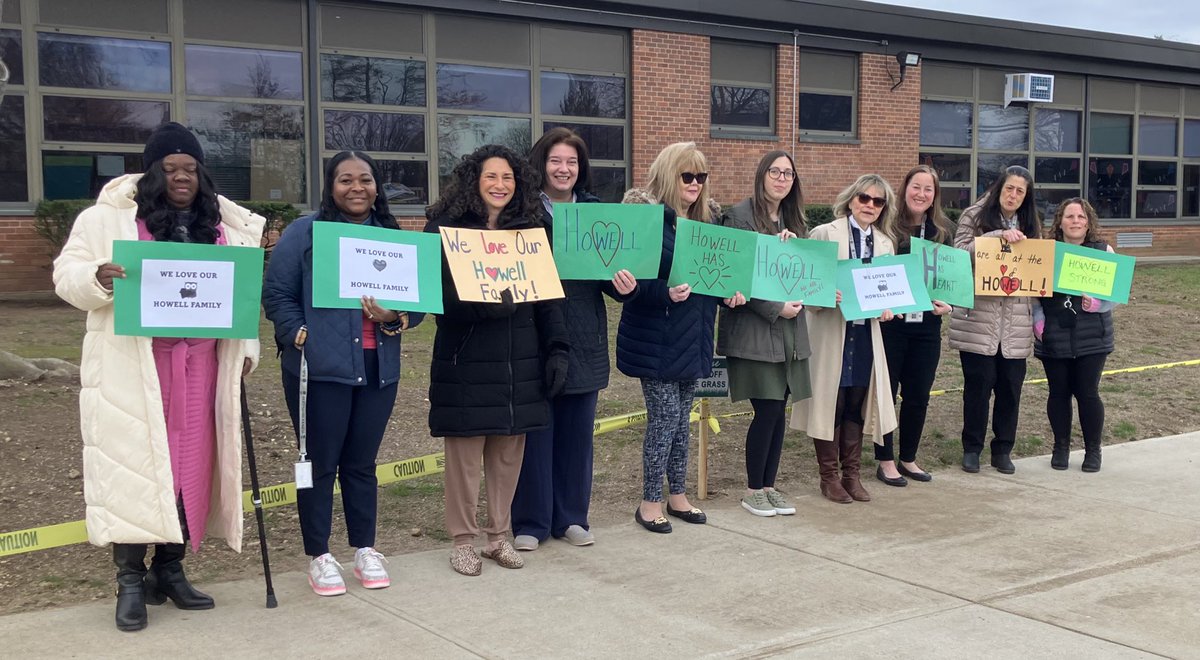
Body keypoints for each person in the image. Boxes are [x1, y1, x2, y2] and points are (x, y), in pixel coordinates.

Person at [52, 122, 264, 631]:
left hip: (202, 369)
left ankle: (169, 570)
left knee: (188, 467)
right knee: (134, 466)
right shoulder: (106, 219)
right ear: (151, 172)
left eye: (190, 168)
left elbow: (239, 299)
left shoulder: (222, 226)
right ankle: (129, 581)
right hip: (135, 364)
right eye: (170, 169)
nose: (181, 177)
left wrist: (245, 351)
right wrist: (97, 277)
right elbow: (66, 273)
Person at [263, 151, 424, 596]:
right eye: (346, 180)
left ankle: (364, 549)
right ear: (330, 186)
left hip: (378, 369)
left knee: (361, 465)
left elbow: (419, 305)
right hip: (321, 370)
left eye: (366, 180)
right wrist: (296, 331)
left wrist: (396, 316)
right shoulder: (306, 233)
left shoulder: (391, 236)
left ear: (378, 186)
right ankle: (319, 555)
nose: (357, 188)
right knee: (319, 465)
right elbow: (277, 292)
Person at [424, 144, 570, 576]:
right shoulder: (445, 230)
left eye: (507, 178)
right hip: (466, 361)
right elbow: (439, 298)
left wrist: (558, 348)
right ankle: (463, 541)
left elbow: (547, 300)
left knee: (508, 458)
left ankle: (497, 537)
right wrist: (482, 307)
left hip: (520, 363)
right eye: (491, 177)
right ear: (474, 180)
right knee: (465, 460)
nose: (500, 185)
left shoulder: (529, 233)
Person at [510, 128, 636, 551]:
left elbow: (612, 279)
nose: (563, 169)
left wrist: (624, 283)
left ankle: (571, 517)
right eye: (555, 161)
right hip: (534, 334)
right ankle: (531, 522)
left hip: (584, 334)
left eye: (572, 162)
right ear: (541, 165)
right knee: (536, 431)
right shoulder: (522, 211)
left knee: (577, 434)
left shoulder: (598, 214)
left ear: (580, 169)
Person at [619, 141, 745, 533]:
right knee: (665, 418)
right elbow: (629, 284)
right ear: (669, 175)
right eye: (686, 175)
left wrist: (730, 294)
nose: (695, 183)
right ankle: (649, 501)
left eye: (701, 176)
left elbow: (715, 280)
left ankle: (678, 496)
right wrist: (664, 293)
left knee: (682, 420)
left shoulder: (708, 225)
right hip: (656, 339)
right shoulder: (646, 221)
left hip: (695, 338)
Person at [790, 174, 899, 504]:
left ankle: (852, 474)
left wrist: (888, 308)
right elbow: (805, 286)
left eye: (877, 202)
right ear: (851, 200)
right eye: (864, 198)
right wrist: (824, 294)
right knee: (830, 403)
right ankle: (829, 477)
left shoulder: (884, 244)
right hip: (832, 331)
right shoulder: (825, 234)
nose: (870, 206)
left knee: (856, 402)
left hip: (865, 334)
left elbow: (889, 290)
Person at [716, 150, 812, 517]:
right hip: (756, 331)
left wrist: (793, 247)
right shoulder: (739, 218)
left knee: (779, 411)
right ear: (762, 174)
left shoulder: (792, 221)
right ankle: (754, 488)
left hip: (789, 332)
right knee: (767, 408)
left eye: (789, 173)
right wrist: (775, 308)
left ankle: (769, 486)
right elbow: (735, 276)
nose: (782, 179)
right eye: (775, 171)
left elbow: (801, 272)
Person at [948, 165, 1040, 475]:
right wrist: (997, 236)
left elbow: (1039, 268)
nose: (1013, 195)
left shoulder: (1031, 222)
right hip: (978, 318)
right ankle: (971, 448)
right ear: (999, 188)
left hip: (1015, 322)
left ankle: (1003, 449)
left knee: (1010, 389)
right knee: (978, 387)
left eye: (1020, 191)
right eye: (1009, 188)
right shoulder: (974, 216)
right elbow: (958, 254)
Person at [875, 165, 955, 487]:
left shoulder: (941, 233)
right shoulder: (886, 227)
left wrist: (949, 304)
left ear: (935, 196)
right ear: (904, 188)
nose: (921, 194)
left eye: (928, 189)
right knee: (886, 394)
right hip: (891, 325)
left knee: (918, 395)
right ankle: (885, 459)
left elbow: (950, 280)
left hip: (926, 327)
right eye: (915, 187)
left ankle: (908, 457)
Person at [1035, 198, 1116, 472]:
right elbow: (1035, 291)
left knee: (1087, 393)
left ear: (1088, 221)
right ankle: (1060, 447)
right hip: (1054, 332)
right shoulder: (1047, 252)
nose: (1075, 221)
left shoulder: (1102, 251)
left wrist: (1098, 304)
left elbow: (1114, 294)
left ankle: (1093, 450)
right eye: (1069, 216)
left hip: (1093, 335)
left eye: (1080, 216)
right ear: (1060, 221)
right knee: (1058, 393)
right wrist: (1038, 319)